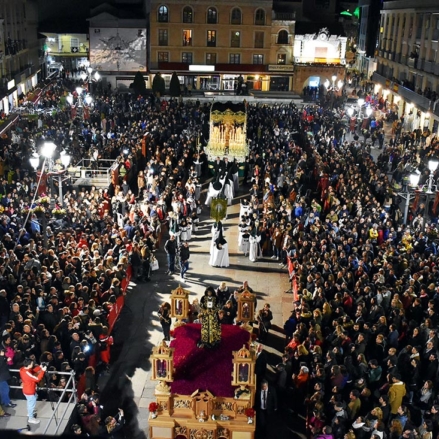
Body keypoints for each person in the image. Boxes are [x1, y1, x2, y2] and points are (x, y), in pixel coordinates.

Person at [19, 358, 47, 424]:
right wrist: (42, 371)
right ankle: (31, 418)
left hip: (26, 390)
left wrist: (39, 367)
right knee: (31, 403)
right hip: (30, 390)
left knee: (30, 402)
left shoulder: (23, 369)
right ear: (29, 365)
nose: (33, 364)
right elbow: (37, 379)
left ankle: (30, 413)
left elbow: (32, 371)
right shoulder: (26, 373)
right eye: (32, 363)